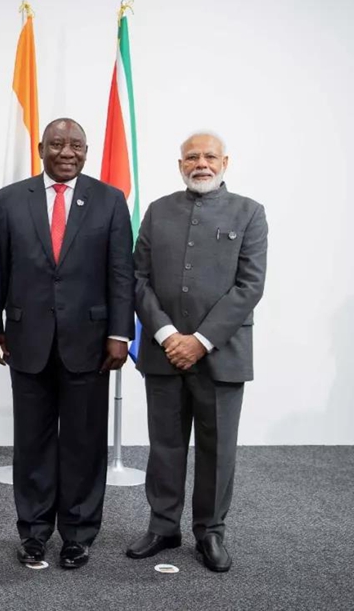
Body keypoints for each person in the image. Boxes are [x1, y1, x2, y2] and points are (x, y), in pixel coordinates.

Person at [0, 117, 134, 569]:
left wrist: (120, 333)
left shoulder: (110, 200)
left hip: (90, 342)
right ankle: (33, 532)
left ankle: (78, 534)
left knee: (83, 442)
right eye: (57, 144)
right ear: (40, 149)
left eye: (76, 145)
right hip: (26, 339)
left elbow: (121, 273)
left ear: (87, 152)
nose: (67, 152)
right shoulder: (10, 199)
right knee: (32, 443)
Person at [126, 132, 267, 573]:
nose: (200, 163)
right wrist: (169, 334)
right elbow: (138, 279)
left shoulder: (250, 213)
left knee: (217, 449)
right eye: (191, 157)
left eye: (209, 156)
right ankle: (163, 527)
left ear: (225, 161)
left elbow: (250, 286)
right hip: (163, 352)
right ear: (180, 164)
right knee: (164, 446)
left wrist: (200, 340)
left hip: (221, 355)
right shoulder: (158, 210)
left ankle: (210, 532)